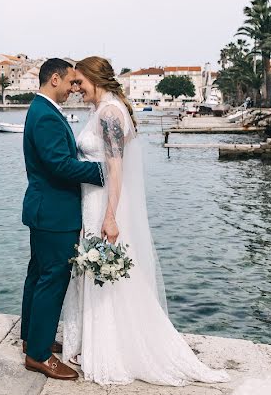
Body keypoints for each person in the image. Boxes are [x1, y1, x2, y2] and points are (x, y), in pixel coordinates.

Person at [61, 56, 230, 387]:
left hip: (103, 203)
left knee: (106, 273)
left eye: (80, 81)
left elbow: (115, 169)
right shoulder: (102, 111)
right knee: (99, 273)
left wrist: (110, 215)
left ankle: (113, 347)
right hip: (91, 200)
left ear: (96, 79)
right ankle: (96, 341)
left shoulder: (109, 114)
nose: (76, 87)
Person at [20, 58, 105, 381]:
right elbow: (60, 165)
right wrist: (103, 172)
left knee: (39, 274)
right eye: (70, 82)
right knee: (52, 279)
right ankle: (38, 355)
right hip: (54, 212)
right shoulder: (45, 115)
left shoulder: (42, 110)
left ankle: (32, 337)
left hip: (44, 208)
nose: (73, 88)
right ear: (54, 79)